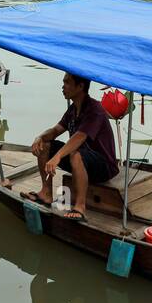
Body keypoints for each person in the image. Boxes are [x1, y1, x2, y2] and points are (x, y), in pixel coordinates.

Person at [26, 73, 118, 220]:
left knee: (76, 154)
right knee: (45, 145)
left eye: (67, 82)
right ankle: (46, 193)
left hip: (103, 166)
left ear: (80, 86)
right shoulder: (73, 109)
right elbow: (56, 130)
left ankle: (80, 207)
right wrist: (40, 137)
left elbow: (80, 137)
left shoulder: (95, 109)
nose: (63, 86)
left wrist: (57, 157)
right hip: (80, 161)